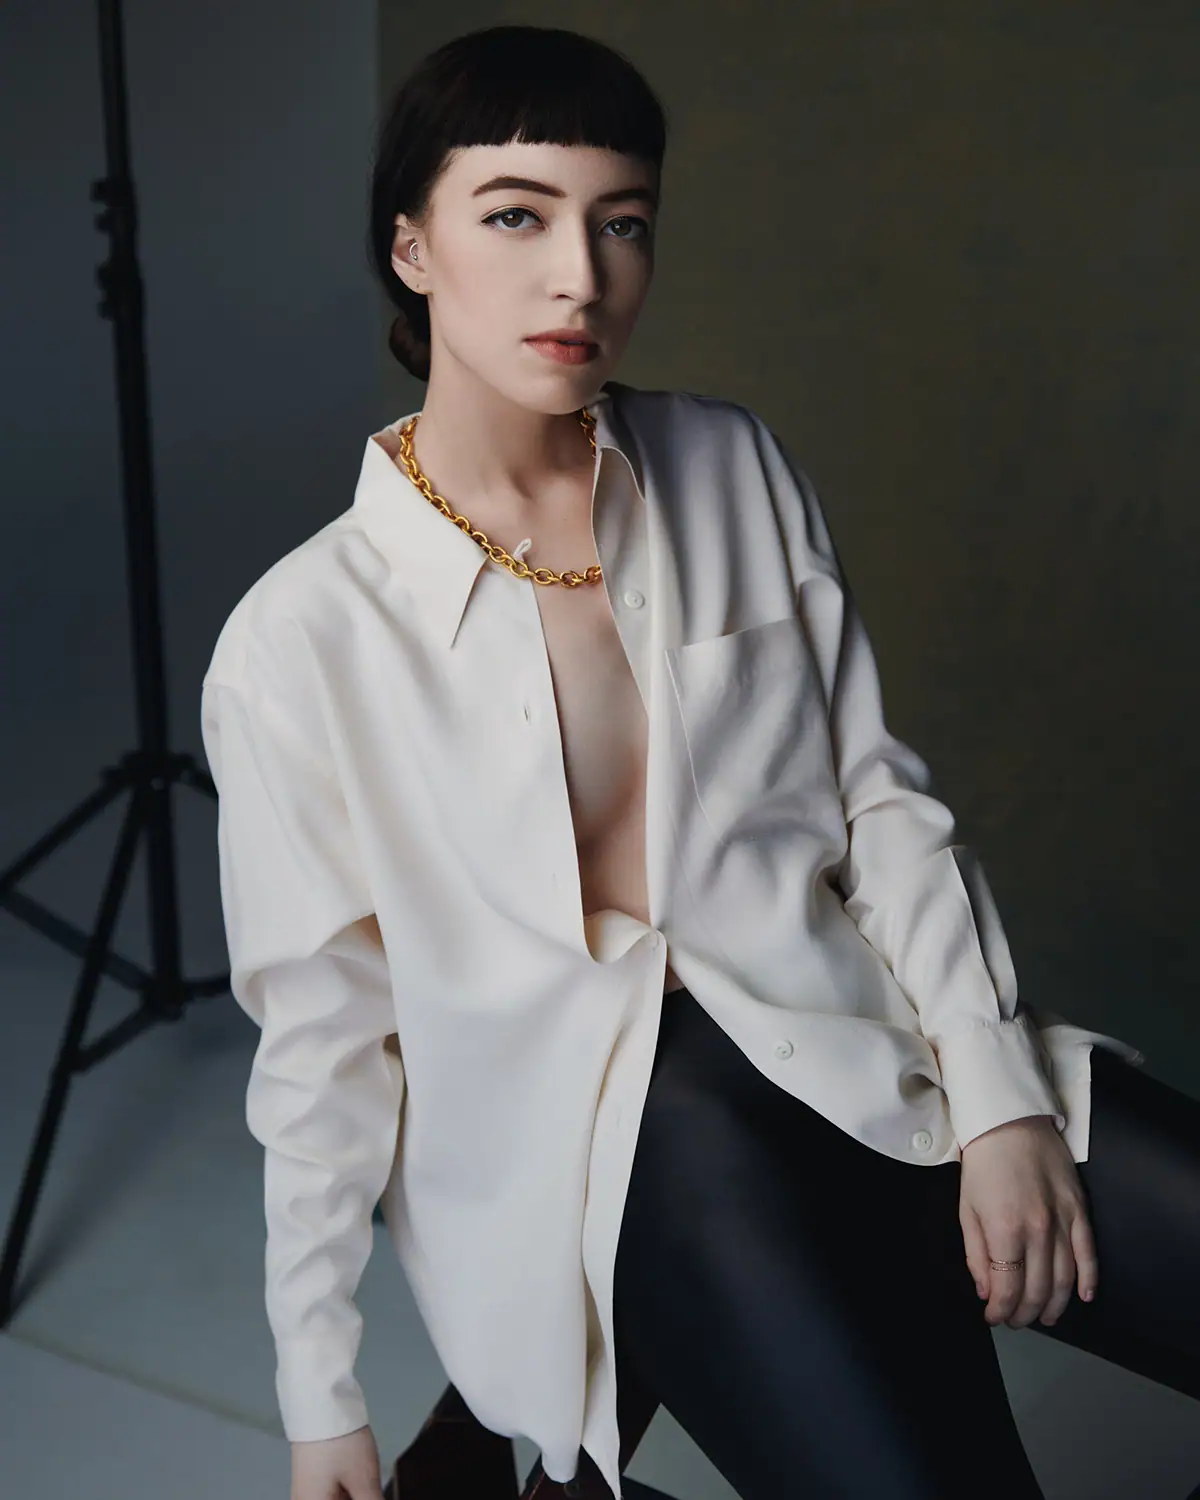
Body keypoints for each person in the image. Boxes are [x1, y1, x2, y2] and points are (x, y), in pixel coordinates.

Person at [200, 24, 1200, 1500]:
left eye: (622, 225)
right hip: (624, 1179)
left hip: (864, 1047)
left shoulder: (734, 469)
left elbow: (877, 804)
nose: (580, 277)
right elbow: (325, 1055)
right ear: (412, 248)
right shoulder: (299, 645)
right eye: (517, 215)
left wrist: (995, 1099)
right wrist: (319, 1399)